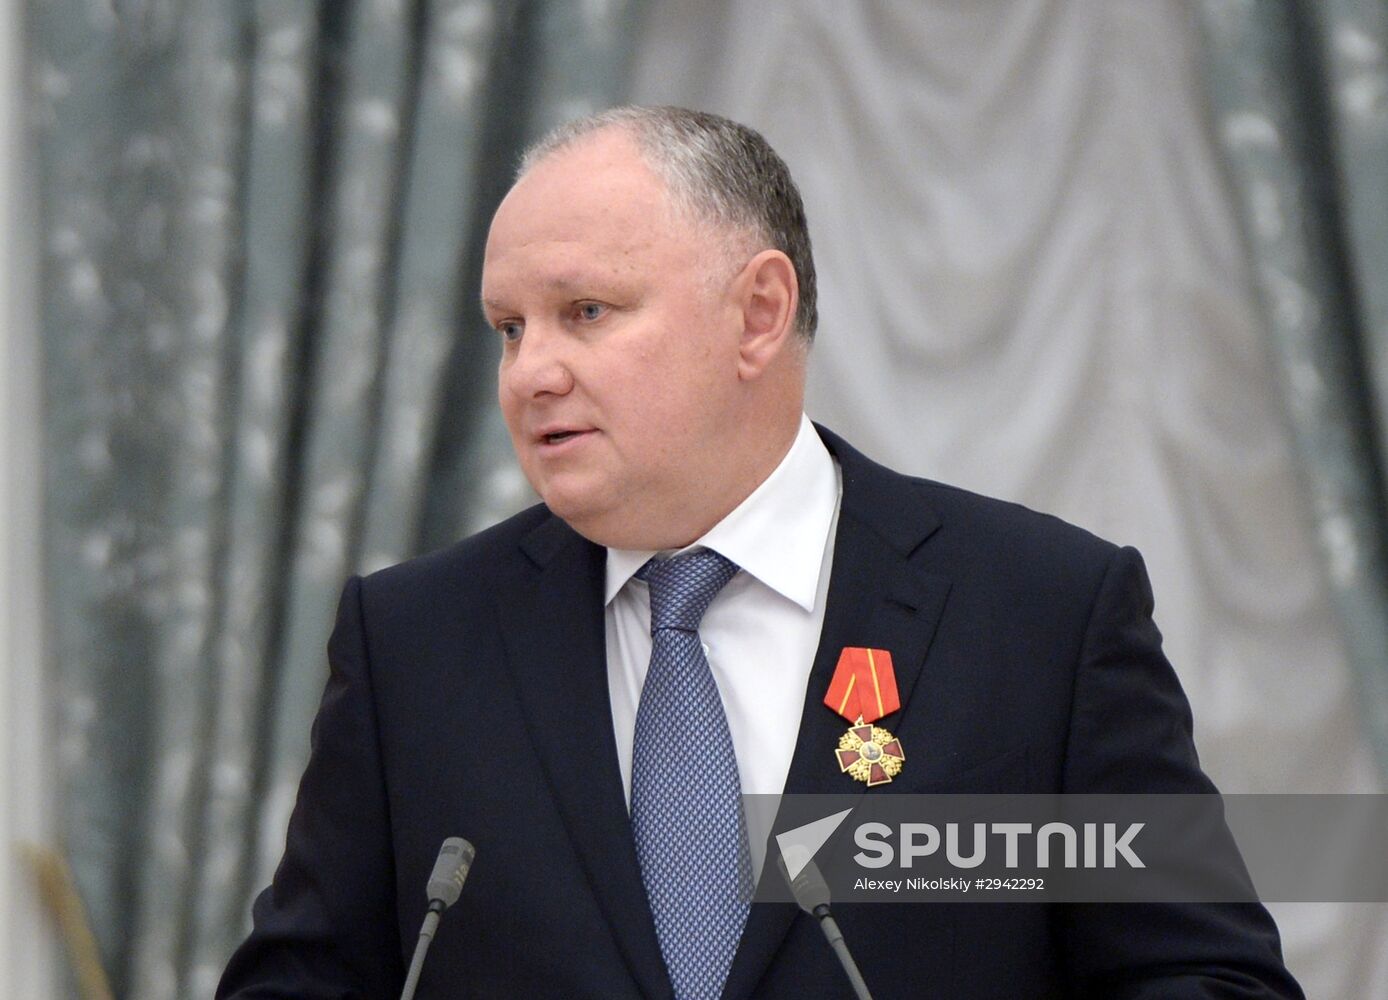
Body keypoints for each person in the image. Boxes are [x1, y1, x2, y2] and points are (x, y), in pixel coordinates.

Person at [218, 106, 1302, 998]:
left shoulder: (1040, 615)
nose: (528, 372)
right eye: (509, 327)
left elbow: (1207, 980)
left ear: (757, 313)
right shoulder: (414, 641)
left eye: (583, 311)